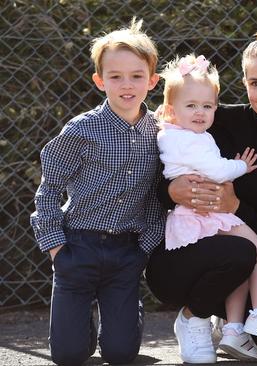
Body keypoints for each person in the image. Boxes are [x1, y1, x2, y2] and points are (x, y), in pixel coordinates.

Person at [145, 27, 257, 364]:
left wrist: (235, 205)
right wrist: (170, 191)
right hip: (184, 258)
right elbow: (165, 168)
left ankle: (231, 322)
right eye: (255, 83)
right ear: (243, 82)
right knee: (240, 252)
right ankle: (193, 317)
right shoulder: (213, 117)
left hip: (245, 259)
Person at [29, 19, 163, 365]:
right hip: (77, 246)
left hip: (127, 252)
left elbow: (156, 196)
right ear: (100, 80)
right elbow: (49, 190)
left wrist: (144, 249)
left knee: (121, 354)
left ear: (152, 80)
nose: (126, 85)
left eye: (136, 75)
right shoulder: (81, 130)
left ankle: (123, 316)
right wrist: (57, 249)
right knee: (69, 356)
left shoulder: (161, 133)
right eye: (115, 76)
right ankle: (76, 320)